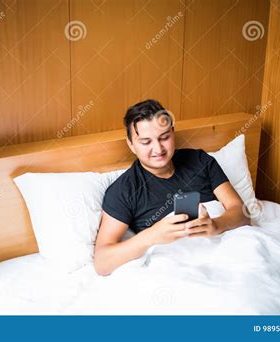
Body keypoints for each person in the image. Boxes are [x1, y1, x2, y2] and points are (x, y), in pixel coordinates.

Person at [94, 99, 250, 275]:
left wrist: (216, 225)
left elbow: (241, 212)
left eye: (164, 137)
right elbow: (101, 262)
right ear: (131, 144)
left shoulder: (201, 162)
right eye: (146, 142)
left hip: (228, 251)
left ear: (173, 133)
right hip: (179, 267)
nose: (158, 149)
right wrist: (151, 236)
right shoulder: (125, 190)